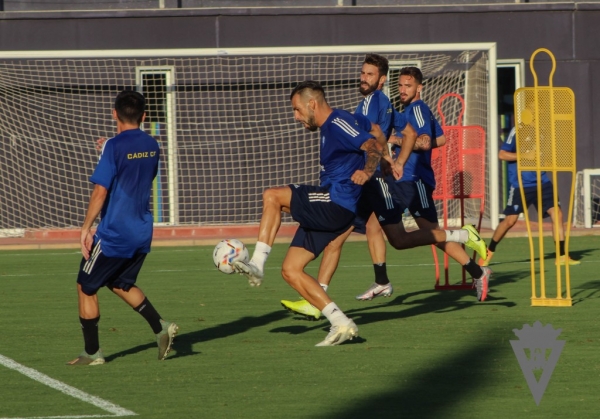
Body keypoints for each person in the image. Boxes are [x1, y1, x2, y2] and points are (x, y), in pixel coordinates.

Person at [233, 80, 390, 346]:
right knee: (291, 270)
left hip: (336, 202)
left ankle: (257, 265)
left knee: (272, 196)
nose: (296, 117)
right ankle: (341, 323)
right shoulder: (343, 121)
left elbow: (373, 145)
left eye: (296, 110)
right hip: (332, 206)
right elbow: (375, 130)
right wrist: (386, 158)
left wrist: (369, 170)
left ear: (312, 104)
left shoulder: (337, 122)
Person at [280, 53, 414, 319]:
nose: (363, 78)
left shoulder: (380, 101)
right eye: (363, 73)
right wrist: (389, 157)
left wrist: (389, 162)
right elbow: (378, 132)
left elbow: (383, 137)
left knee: (398, 238)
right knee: (343, 239)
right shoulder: (365, 104)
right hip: (357, 183)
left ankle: (460, 238)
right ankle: (357, 286)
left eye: (370, 74)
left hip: (367, 182)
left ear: (382, 79)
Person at [362, 66, 491, 302]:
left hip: (413, 181)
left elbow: (423, 141)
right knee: (375, 226)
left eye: (407, 86)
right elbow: (440, 138)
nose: (402, 90)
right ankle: (381, 280)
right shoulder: (409, 110)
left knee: (431, 234)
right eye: (399, 85)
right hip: (398, 180)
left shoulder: (418, 108)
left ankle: (474, 261)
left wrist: (393, 139)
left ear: (419, 87)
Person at [67, 90, 178, 365]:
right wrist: (110, 146)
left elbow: (100, 191)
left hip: (115, 232)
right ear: (144, 116)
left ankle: (92, 353)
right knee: (119, 282)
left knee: (85, 286)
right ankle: (160, 327)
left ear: (114, 113)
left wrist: (85, 228)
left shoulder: (114, 147)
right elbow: (137, 163)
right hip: (141, 231)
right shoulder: (152, 145)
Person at [478, 126, 580, 266]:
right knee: (510, 221)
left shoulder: (544, 129)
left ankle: (562, 255)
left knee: (557, 213)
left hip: (542, 182)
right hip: (521, 184)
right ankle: (488, 251)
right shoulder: (518, 130)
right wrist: (525, 156)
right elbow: (502, 154)